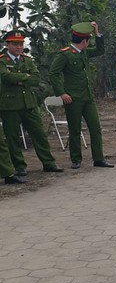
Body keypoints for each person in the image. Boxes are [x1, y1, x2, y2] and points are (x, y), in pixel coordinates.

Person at [48, 21, 114, 169]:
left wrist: (98, 33)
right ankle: (76, 159)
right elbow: (53, 74)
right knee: (75, 129)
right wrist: (62, 93)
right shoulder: (65, 55)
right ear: (84, 41)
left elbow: (100, 50)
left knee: (95, 128)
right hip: (73, 98)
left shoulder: (84, 52)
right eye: (88, 40)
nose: (88, 42)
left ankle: (98, 159)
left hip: (88, 97)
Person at [0, 30, 63, 176]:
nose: (19, 47)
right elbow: (5, 77)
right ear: (7, 44)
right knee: (13, 137)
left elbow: (35, 79)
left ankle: (48, 163)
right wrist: (24, 77)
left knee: (39, 133)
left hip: (28, 103)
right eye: (15, 44)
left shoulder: (27, 60)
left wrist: (17, 78)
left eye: (21, 44)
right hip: (10, 105)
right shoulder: (2, 61)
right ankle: (19, 166)